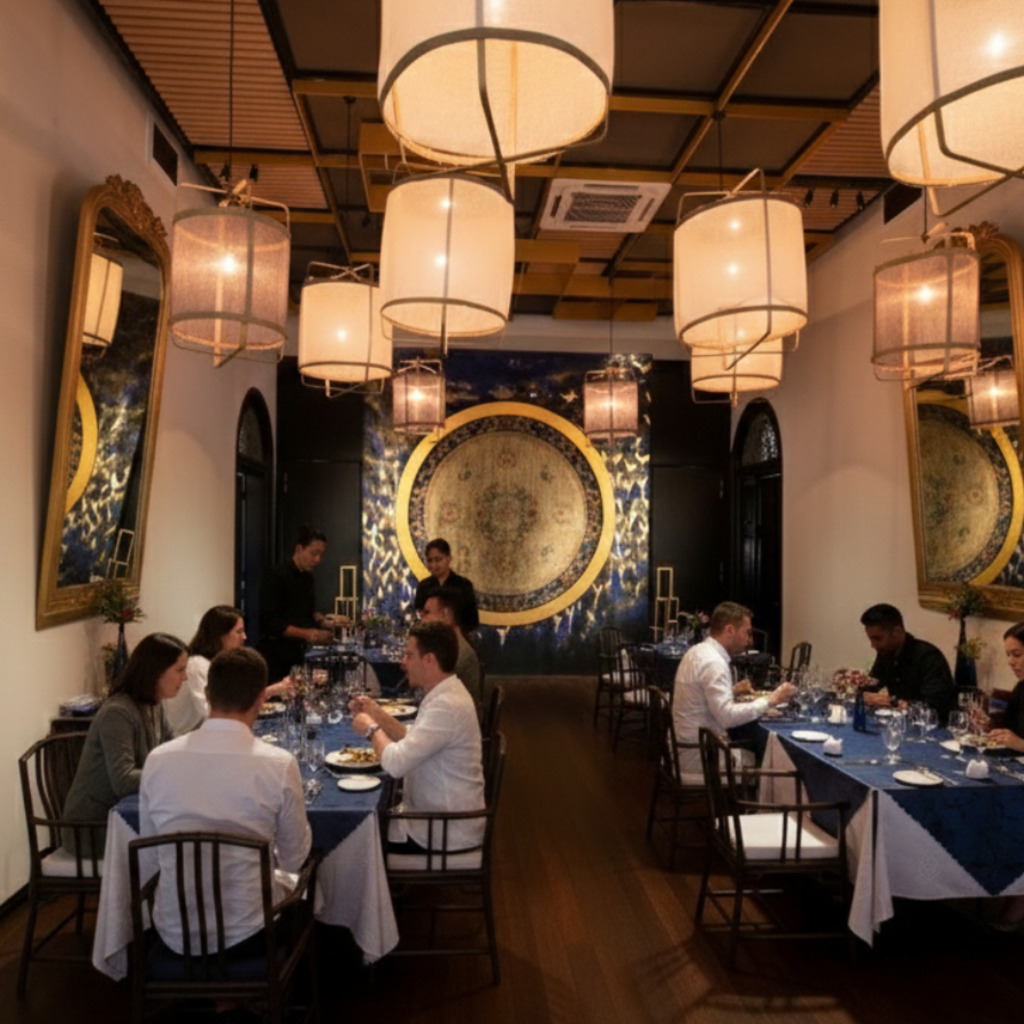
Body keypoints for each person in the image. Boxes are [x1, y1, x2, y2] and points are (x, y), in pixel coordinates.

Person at [140, 647, 312, 956]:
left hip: (173, 932)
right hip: (250, 932)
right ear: (262, 698)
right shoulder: (278, 763)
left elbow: (150, 851)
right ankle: (237, 995)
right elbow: (294, 855)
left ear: (206, 694)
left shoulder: (158, 760)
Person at [350, 620, 484, 852]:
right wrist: (376, 712)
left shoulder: (447, 706)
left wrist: (371, 728)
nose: (403, 662)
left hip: (443, 831)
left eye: (409, 655)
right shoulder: (446, 692)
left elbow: (394, 764)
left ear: (429, 659)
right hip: (440, 819)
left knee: (354, 837)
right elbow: (411, 736)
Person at [63, 633, 187, 855]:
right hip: (95, 828)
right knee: (182, 844)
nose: (185, 678)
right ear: (156, 672)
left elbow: (171, 750)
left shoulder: (154, 704)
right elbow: (123, 779)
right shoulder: (118, 713)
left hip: (127, 815)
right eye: (179, 670)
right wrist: (172, 771)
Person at [672, 602, 796, 779]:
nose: (749, 640)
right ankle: (753, 806)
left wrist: (730, 691)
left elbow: (703, 697)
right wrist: (772, 700)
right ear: (730, 630)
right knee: (769, 760)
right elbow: (726, 717)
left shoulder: (698, 651)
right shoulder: (714, 663)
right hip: (701, 758)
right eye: (747, 633)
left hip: (684, 749)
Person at [164, 605, 295, 736]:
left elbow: (235, 703)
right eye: (239, 632)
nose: (244, 637)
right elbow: (213, 714)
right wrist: (268, 692)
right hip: (186, 739)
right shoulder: (197, 666)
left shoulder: (221, 663)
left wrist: (271, 691)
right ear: (220, 635)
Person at [259, 527, 333, 680]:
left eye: (321, 555)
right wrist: (309, 634)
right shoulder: (276, 576)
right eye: (314, 553)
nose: (317, 560)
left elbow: (304, 611)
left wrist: (322, 621)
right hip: (276, 655)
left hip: (299, 653)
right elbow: (271, 622)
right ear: (299, 549)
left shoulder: (308, 578)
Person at [859, 603, 955, 721]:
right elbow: (872, 685)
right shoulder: (886, 652)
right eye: (871, 639)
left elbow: (935, 706)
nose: (873, 645)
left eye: (878, 639)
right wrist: (853, 685)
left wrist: (892, 702)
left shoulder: (928, 657)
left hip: (933, 727)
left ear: (897, 632)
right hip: (903, 722)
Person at [420, 588, 481, 709]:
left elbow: (434, 695)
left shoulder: (458, 653)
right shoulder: (450, 646)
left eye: (427, 613)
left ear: (445, 614)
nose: (422, 619)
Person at [413, 538, 480, 634]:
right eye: (430, 560)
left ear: (449, 559)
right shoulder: (424, 586)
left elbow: (472, 621)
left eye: (438, 560)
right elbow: (419, 617)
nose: (433, 565)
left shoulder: (464, 586)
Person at [988, 622, 1024, 752]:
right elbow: (1008, 728)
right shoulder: (1021, 688)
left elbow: (1018, 741)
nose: (1010, 662)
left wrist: (1021, 745)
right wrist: (987, 723)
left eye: (1017, 655)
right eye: (1008, 655)